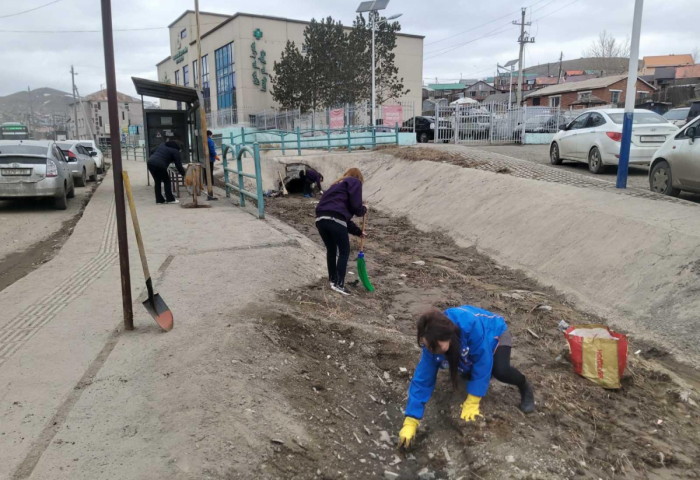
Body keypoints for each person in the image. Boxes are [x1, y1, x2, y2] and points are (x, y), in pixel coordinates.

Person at [398, 306, 535, 448]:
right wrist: (411, 420)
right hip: (466, 344)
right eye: (427, 346)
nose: (432, 351)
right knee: (466, 369)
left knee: (500, 370)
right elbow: (422, 379)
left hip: (494, 333)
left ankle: (524, 385)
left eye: (436, 347)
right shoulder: (431, 344)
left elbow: (483, 360)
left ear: (448, 336)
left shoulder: (469, 324)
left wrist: (473, 399)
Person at [315, 168, 367, 296]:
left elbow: (343, 217)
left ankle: (333, 281)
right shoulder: (354, 182)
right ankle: (340, 284)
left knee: (332, 250)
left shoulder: (335, 186)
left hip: (321, 219)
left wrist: (358, 232)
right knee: (344, 251)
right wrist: (364, 209)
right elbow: (356, 207)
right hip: (335, 219)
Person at [147, 140, 186, 205]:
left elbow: (152, 151)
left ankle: (159, 200)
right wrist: (184, 174)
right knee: (167, 181)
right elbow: (178, 165)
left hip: (150, 163)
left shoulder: (163, 144)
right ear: (179, 147)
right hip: (160, 165)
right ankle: (170, 199)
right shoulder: (175, 151)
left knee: (157, 181)